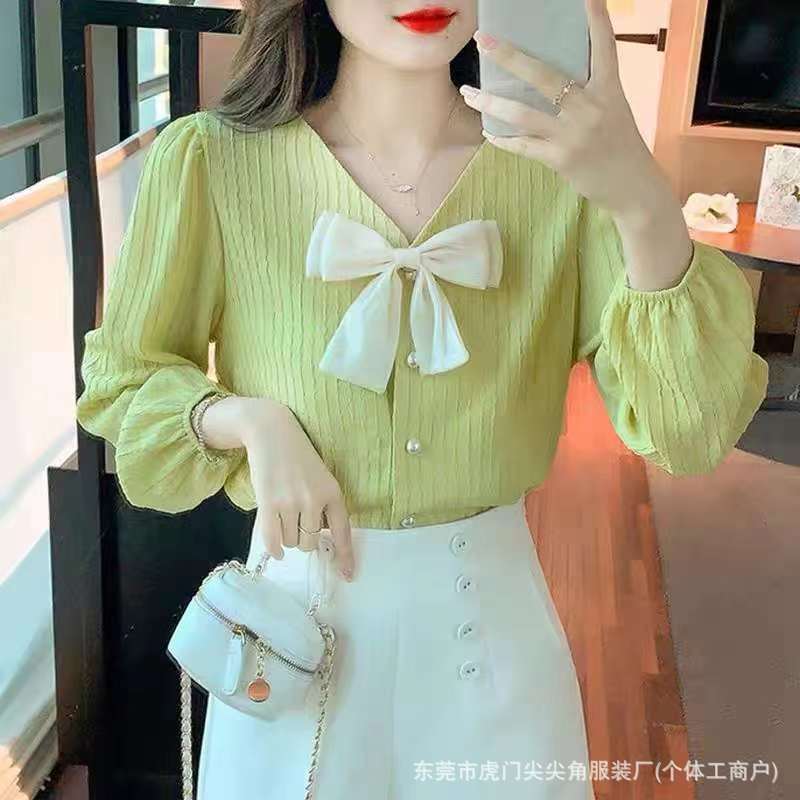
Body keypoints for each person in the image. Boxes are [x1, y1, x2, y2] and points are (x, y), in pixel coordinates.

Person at [74, 0, 769, 797]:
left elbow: (689, 429)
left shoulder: (561, 179)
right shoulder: (212, 162)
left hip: (496, 654)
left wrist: (640, 197)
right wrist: (245, 420)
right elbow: (124, 382)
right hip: (290, 655)